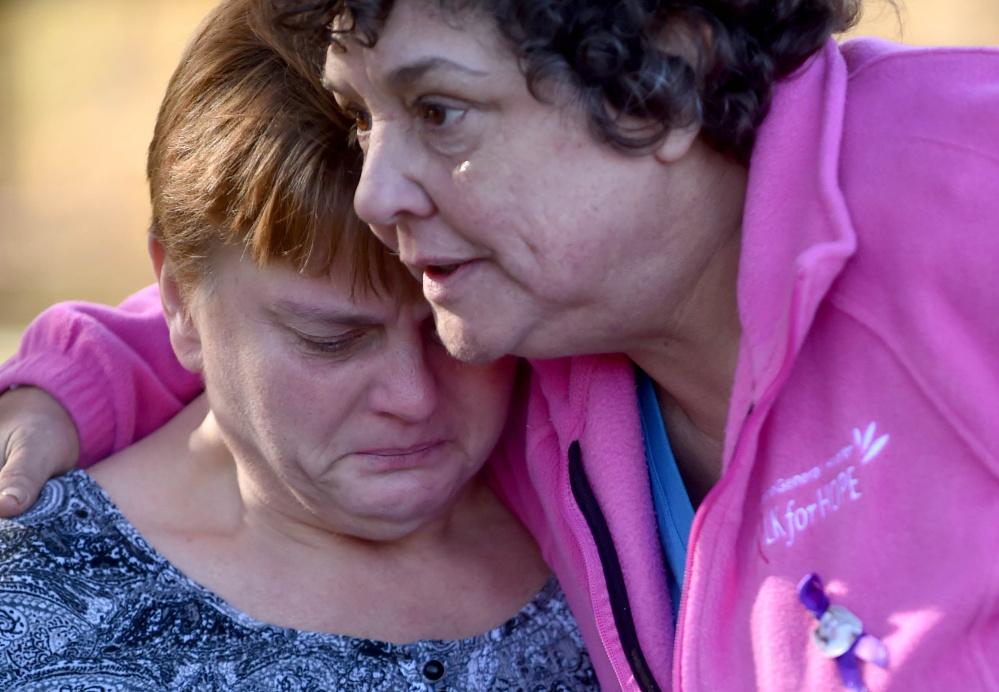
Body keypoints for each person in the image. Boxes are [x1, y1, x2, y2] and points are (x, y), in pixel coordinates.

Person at [2, 0, 999, 689]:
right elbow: (252, 284)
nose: (376, 190)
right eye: (363, 116)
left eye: (438, 110)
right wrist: (81, 373)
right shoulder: (532, 348)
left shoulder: (961, 195)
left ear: (661, 77)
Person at [0, 0, 599, 689]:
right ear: (178, 301)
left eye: (448, 326)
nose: (411, 397)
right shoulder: (39, 606)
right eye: (332, 341)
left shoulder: (595, 487)